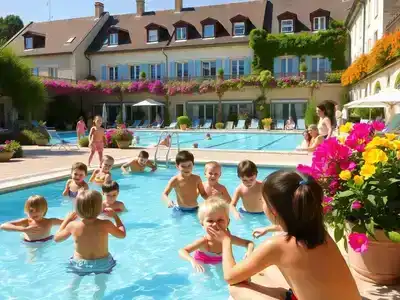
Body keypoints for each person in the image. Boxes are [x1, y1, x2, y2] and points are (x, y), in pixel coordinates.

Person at [208, 170, 361, 300]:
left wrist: (226, 240)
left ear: (272, 210)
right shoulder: (320, 231)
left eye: (262, 201)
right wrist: (269, 229)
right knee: (271, 274)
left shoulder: (276, 246)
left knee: (235, 288)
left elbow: (230, 276)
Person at [54, 190, 126, 298]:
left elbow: (56, 238)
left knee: (74, 284)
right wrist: (116, 217)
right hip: (103, 264)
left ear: (77, 209)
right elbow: (122, 235)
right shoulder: (106, 224)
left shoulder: (73, 225)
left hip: (80, 264)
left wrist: (67, 220)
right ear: (99, 209)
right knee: (101, 285)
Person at [179, 197, 254, 272]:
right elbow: (182, 250)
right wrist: (192, 260)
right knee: (206, 278)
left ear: (228, 222)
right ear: (202, 224)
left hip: (221, 261)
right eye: (210, 221)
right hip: (203, 262)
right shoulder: (204, 241)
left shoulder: (228, 239)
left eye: (220, 220)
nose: (215, 224)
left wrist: (249, 252)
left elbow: (249, 243)